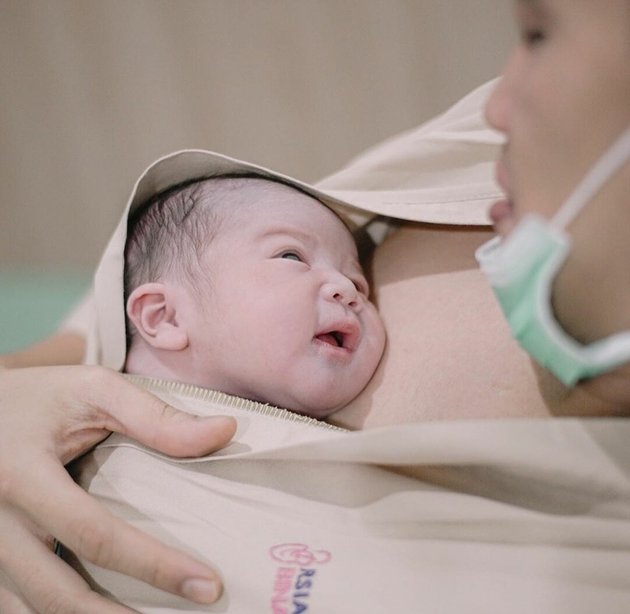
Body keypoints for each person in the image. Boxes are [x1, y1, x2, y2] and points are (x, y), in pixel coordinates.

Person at [1, 0, 629, 609]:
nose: (349, 288)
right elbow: (160, 273)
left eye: (541, 33)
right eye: (293, 260)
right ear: (162, 320)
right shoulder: (488, 147)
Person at [122, 171, 386, 418]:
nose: (348, 288)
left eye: (358, 282)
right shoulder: (100, 433)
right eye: (291, 256)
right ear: (167, 317)